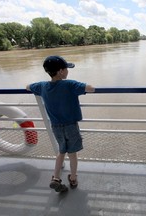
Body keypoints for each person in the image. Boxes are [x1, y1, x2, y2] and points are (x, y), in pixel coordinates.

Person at [26, 55, 95, 192]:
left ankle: (56, 178)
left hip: (56, 126)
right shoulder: (69, 84)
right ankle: (73, 178)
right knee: (72, 154)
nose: (68, 71)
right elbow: (91, 88)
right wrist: (77, 84)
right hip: (71, 126)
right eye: (66, 69)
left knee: (61, 151)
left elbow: (27, 87)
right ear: (60, 71)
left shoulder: (42, 86)